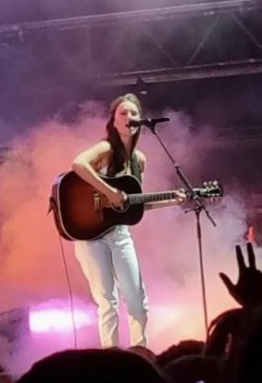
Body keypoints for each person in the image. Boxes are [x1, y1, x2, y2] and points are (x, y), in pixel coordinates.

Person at [70, 93, 185, 348]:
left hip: (119, 232)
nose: (129, 117)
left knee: (137, 301)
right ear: (113, 120)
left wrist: (171, 200)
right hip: (90, 235)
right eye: (123, 112)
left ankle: (140, 354)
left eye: (133, 113)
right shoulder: (106, 148)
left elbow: (135, 203)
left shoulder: (139, 160)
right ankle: (111, 359)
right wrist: (110, 192)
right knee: (107, 301)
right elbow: (78, 164)